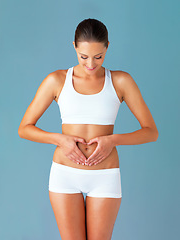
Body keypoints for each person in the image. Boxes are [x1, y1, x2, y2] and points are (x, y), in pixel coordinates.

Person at [18, 18, 159, 240]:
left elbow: (151, 131)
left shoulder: (121, 81)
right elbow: (24, 128)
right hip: (65, 173)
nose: (91, 64)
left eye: (98, 57)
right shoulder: (57, 80)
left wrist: (112, 140)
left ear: (107, 47)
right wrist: (60, 139)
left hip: (104, 175)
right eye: (83, 57)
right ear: (74, 46)